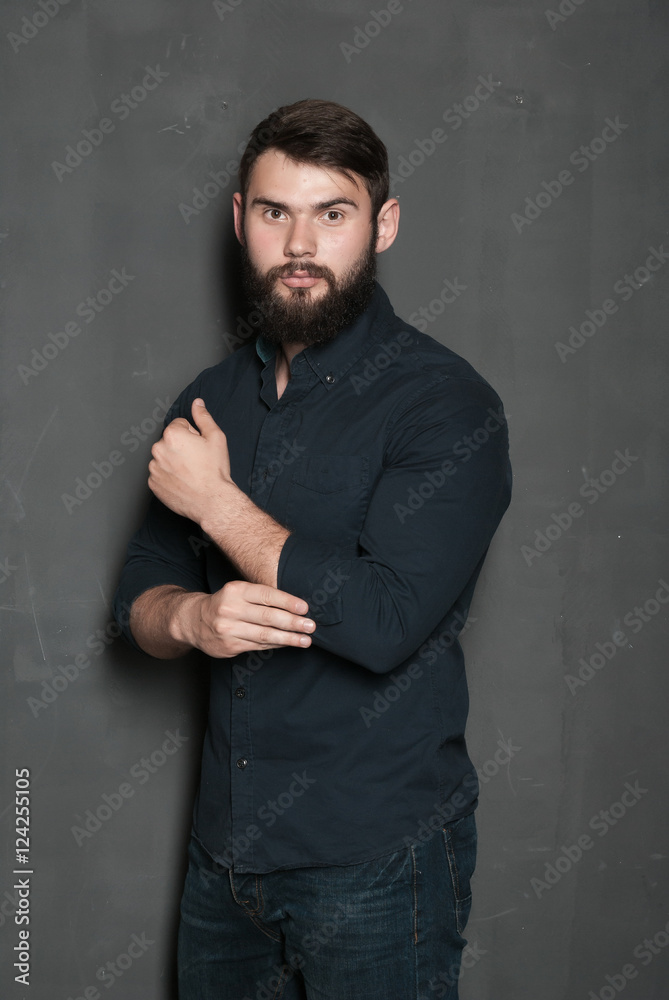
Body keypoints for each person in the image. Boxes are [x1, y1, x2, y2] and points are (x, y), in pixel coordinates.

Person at [113, 97, 512, 1000]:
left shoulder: (444, 404)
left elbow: (382, 621)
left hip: (379, 859)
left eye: (332, 213)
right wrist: (191, 617)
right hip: (224, 859)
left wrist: (218, 505)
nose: (300, 243)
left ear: (383, 224)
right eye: (273, 212)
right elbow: (138, 591)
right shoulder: (210, 396)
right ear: (238, 221)